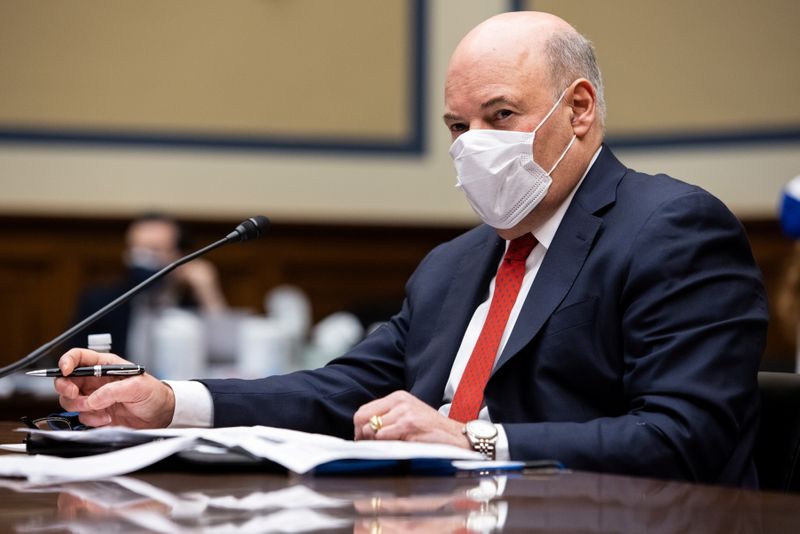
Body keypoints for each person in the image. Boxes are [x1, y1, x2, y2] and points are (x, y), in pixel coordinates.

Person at [54, 11, 768, 487]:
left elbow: (684, 439)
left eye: (500, 116)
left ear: (579, 110)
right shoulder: (453, 265)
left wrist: (474, 441)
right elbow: (340, 389)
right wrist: (168, 400)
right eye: (459, 126)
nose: (474, 146)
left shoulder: (672, 228)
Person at [69, 213, 227, 358]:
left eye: (154, 250)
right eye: (136, 249)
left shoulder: (191, 303)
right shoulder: (101, 303)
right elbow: (75, 356)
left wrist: (208, 292)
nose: (142, 258)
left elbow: (222, 352)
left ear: (181, 256)